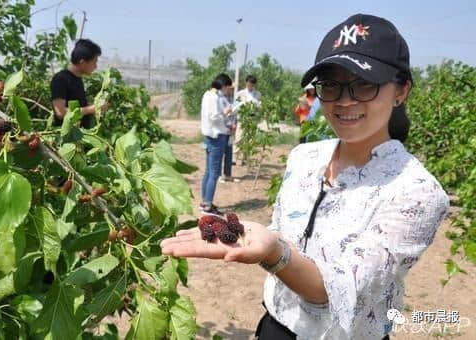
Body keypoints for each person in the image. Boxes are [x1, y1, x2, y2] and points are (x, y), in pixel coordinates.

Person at [161, 14, 450, 340]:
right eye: (331, 85)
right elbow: (282, 230)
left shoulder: (416, 191)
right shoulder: (304, 158)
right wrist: (252, 236)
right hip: (274, 326)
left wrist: (274, 253)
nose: (344, 100)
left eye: (364, 84)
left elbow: (336, 289)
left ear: (401, 91)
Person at [50, 39, 106, 128]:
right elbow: (60, 112)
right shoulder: (60, 79)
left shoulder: (77, 79)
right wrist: (91, 109)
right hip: (67, 139)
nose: (95, 66)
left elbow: (77, 107)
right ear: (82, 62)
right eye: (94, 62)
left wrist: (95, 106)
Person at [200, 73, 233, 215]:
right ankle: (208, 205)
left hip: (209, 137)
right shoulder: (213, 98)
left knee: (208, 171)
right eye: (228, 88)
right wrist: (225, 112)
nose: (227, 91)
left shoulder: (207, 95)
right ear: (224, 85)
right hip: (216, 137)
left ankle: (204, 201)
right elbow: (214, 117)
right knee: (214, 173)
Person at [233, 74, 261, 165]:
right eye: (249, 84)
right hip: (243, 118)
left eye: (252, 85)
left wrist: (257, 105)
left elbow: (259, 106)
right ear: (246, 83)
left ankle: (245, 158)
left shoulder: (257, 94)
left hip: (252, 118)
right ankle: (235, 158)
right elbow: (235, 106)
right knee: (239, 138)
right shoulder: (240, 93)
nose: (250, 86)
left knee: (249, 139)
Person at [219, 84, 240, 183]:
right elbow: (222, 115)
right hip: (223, 130)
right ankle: (219, 175)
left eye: (233, 89)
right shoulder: (221, 99)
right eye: (230, 88)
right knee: (220, 153)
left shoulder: (233, 99)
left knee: (229, 153)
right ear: (226, 88)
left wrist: (235, 124)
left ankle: (228, 174)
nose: (232, 90)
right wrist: (229, 125)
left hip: (231, 131)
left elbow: (236, 113)